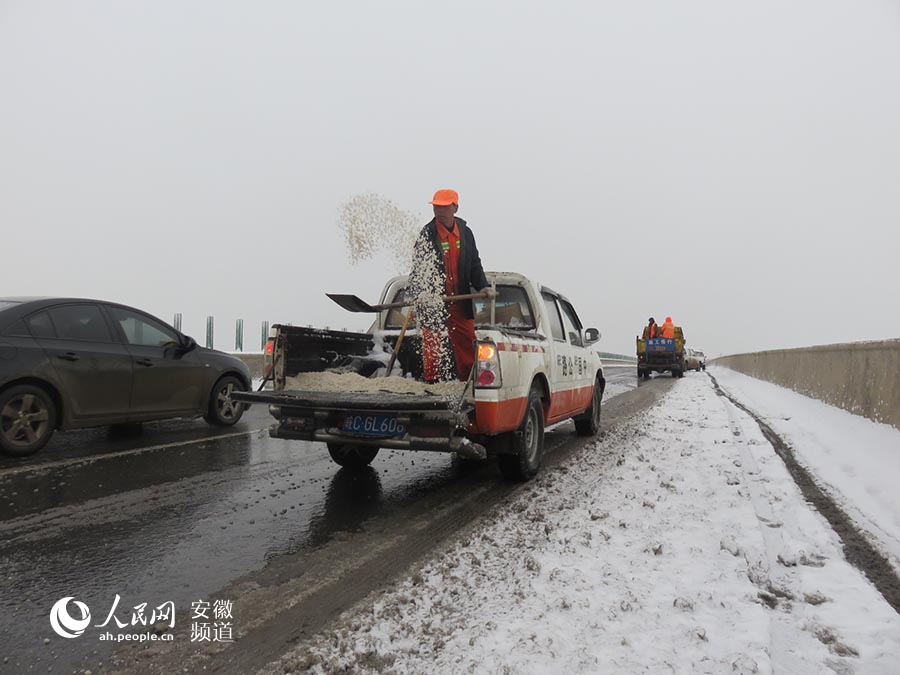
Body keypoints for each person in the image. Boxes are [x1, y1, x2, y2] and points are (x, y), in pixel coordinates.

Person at [408, 189, 493, 382]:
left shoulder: (465, 233)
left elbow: (474, 264)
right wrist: (421, 293)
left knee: (468, 342)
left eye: (444, 206)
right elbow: (418, 269)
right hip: (434, 301)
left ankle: (469, 382)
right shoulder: (427, 234)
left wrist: (483, 286)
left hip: (459, 300)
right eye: (437, 206)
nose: (439, 210)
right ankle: (433, 384)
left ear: (455, 207)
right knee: (432, 345)